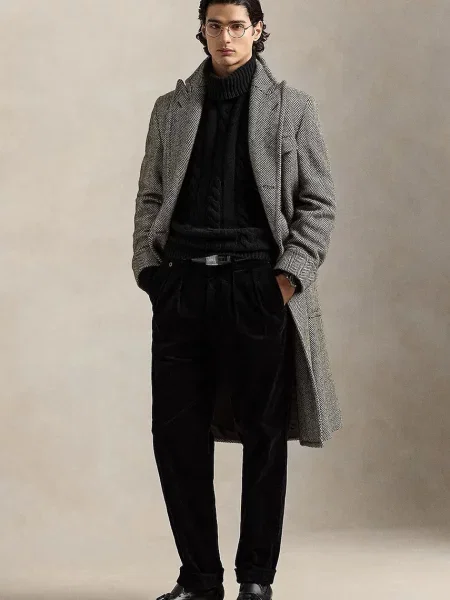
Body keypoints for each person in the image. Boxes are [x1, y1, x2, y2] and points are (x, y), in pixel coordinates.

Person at [131, 1, 343, 599]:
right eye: (215, 26)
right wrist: (151, 273)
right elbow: (150, 197)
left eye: (238, 26)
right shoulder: (170, 109)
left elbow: (318, 204)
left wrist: (287, 279)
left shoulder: (292, 108)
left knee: (264, 437)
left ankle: (255, 580)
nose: (226, 37)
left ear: (258, 31)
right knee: (176, 436)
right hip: (182, 288)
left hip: (257, 288)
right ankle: (199, 579)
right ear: (201, 31)